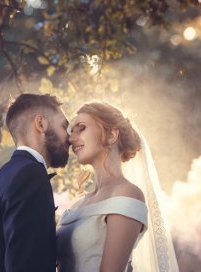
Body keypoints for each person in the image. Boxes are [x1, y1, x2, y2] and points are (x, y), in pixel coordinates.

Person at [56, 102, 179, 272]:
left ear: (112, 135)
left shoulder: (127, 195)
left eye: (81, 128)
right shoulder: (78, 204)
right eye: (71, 131)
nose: (71, 138)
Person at [0, 93, 70, 272]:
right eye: (64, 126)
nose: (69, 138)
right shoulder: (30, 176)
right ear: (41, 124)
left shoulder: (1, 178)